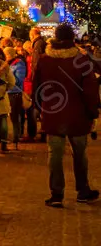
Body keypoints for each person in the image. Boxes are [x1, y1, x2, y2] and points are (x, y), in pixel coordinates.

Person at [33, 23, 100, 207]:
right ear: (72, 40)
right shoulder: (82, 61)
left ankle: (56, 193)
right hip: (78, 116)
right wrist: (93, 113)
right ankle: (82, 190)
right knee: (79, 154)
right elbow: (90, 91)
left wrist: (39, 109)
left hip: (53, 114)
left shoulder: (45, 61)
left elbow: (37, 88)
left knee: (54, 155)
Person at [27, 26, 47, 141]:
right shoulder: (40, 43)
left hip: (38, 80)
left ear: (32, 35)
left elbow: (36, 63)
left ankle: (40, 132)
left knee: (37, 106)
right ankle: (43, 132)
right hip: (40, 79)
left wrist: (34, 76)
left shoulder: (38, 44)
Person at [5, 47, 27, 144]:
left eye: (6, 55)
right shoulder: (6, 64)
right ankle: (11, 135)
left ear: (10, 55)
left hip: (15, 93)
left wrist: (8, 79)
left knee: (14, 116)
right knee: (9, 116)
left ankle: (16, 136)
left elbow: (19, 80)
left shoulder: (19, 64)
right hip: (7, 92)